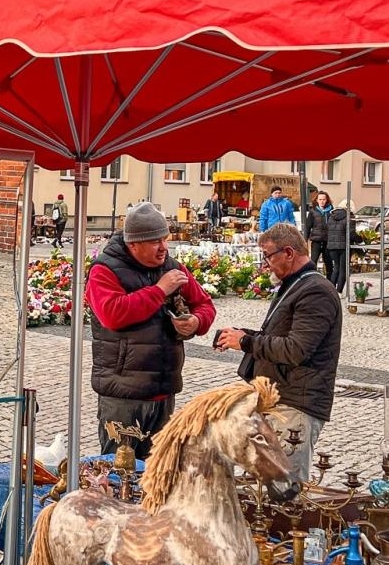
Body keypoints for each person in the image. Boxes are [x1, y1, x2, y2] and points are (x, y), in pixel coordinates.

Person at [212, 223, 341, 483]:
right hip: (280, 399)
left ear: (289, 253)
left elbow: (295, 350)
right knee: (262, 487)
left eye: (269, 256)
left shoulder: (315, 291)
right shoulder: (295, 285)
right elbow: (280, 337)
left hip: (295, 404)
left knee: (283, 491)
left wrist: (246, 342)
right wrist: (240, 334)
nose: (266, 263)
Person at [87, 201, 216, 460]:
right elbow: (113, 314)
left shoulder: (173, 267)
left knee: (159, 470)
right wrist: (159, 291)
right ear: (134, 243)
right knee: (119, 470)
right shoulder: (104, 271)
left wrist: (196, 322)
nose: (164, 247)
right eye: (155, 241)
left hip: (164, 391)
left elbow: (204, 304)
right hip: (123, 395)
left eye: (165, 239)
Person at [305, 190, 338, 284]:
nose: (322, 201)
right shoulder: (313, 212)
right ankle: (312, 282)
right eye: (320, 199)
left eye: (324, 199)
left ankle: (330, 284)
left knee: (328, 264)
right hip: (316, 241)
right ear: (317, 200)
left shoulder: (331, 211)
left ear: (327, 200)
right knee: (313, 262)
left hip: (328, 241)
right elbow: (308, 227)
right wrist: (304, 241)